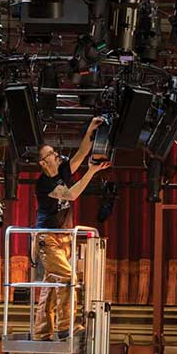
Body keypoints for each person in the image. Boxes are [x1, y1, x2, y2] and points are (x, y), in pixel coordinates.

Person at [32, 116, 111, 341]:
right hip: (48, 238)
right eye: (51, 154)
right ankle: (66, 326)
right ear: (43, 163)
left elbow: (81, 154)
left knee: (51, 284)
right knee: (67, 278)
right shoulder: (44, 183)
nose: (56, 154)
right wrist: (91, 172)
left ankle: (41, 331)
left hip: (63, 238)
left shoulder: (62, 172)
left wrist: (90, 129)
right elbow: (71, 195)